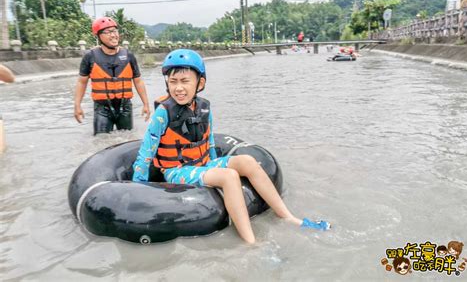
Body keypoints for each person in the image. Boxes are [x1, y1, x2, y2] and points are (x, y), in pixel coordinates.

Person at [132, 49, 330, 244]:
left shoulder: (204, 108)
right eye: (173, 82)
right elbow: (146, 151)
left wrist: (214, 164)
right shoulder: (163, 113)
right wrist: (137, 188)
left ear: (199, 83)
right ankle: (251, 242)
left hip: (202, 164)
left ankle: (287, 216)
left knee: (247, 161)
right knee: (229, 176)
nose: (178, 88)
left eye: (185, 81)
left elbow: (208, 143)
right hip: (177, 170)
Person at [74, 17, 150, 135]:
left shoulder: (128, 56)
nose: (114, 35)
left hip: (125, 107)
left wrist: (146, 104)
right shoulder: (90, 57)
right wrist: (77, 105)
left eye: (115, 31)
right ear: (99, 36)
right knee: (101, 141)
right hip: (102, 108)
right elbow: (81, 82)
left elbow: (138, 81)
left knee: (127, 139)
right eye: (108, 32)